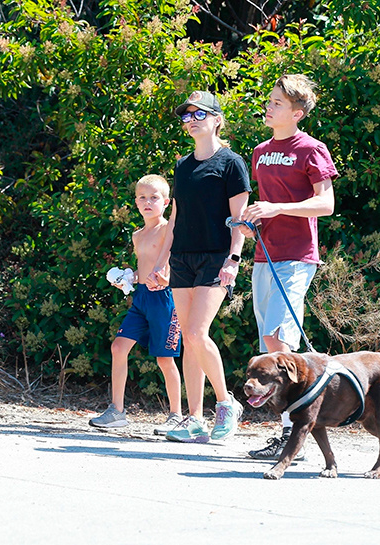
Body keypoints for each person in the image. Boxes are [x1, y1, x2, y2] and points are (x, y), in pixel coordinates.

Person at [240, 74, 337, 460]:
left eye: (277, 102)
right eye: (270, 100)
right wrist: (253, 223)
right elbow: (267, 203)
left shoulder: (311, 148)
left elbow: (325, 204)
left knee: (281, 341)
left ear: (297, 113)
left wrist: (278, 208)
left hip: (297, 256)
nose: (268, 105)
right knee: (269, 344)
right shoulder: (261, 150)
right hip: (264, 254)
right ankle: (292, 430)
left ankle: (294, 432)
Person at [149, 91, 250, 443]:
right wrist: (161, 261)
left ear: (217, 119)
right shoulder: (182, 165)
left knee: (195, 333)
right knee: (189, 343)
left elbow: (239, 220)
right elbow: (175, 219)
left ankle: (225, 404)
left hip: (216, 257)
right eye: (186, 116)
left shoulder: (231, 163)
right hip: (182, 260)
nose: (191, 120)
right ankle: (194, 418)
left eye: (199, 114)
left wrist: (233, 260)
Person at [89, 175, 183, 435]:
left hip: (166, 300)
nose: (147, 202)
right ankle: (116, 411)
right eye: (142, 197)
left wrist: (169, 278)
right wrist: (127, 279)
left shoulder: (169, 229)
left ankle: (176, 415)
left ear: (166, 202)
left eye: (154, 198)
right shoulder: (137, 235)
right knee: (118, 347)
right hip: (141, 298)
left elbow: (177, 264)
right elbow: (144, 270)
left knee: (165, 359)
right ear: (136, 202)